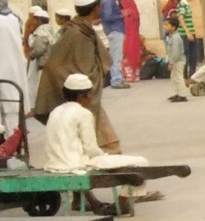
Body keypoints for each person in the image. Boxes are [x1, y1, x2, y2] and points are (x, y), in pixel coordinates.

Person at [44, 73, 163, 215]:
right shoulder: (83, 113)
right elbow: (91, 148)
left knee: (109, 160)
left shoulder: (55, 112)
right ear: (82, 96)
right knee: (141, 162)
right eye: (88, 95)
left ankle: (96, 203)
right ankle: (122, 203)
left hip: (54, 164)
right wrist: (105, 157)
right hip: (77, 164)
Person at [34, 0, 121, 153]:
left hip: (85, 95)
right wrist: (83, 86)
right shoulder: (78, 34)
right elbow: (78, 67)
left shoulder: (80, 30)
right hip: (83, 96)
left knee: (108, 142)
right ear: (97, 8)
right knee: (99, 143)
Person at [0, 0, 28, 143]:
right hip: (13, 71)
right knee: (13, 111)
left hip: (4, 71)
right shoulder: (14, 19)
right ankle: (14, 146)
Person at [23, 6, 56, 114]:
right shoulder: (49, 30)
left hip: (41, 63)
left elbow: (39, 49)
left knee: (37, 86)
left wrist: (30, 55)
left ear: (39, 20)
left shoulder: (41, 32)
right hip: (49, 62)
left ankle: (35, 109)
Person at [98, 0, 129, 90]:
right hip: (115, 30)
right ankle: (115, 80)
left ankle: (117, 78)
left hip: (116, 30)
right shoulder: (109, 1)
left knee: (117, 56)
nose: (121, 0)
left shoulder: (110, 1)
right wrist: (122, 15)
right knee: (116, 57)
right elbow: (107, 17)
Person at [114, 0, 141, 83]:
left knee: (127, 54)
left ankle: (130, 75)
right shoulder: (133, 10)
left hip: (128, 36)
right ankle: (135, 74)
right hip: (134, 36)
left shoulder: (126, 11)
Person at [175, 0, 199, 77]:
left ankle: (193, 74)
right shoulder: (182, 5)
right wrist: (187, 32)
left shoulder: (186, 4)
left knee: (193, 55)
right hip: (185, 34)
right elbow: (180, 18)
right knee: (186, 55)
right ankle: (185, 75)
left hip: (190, 32)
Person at [164, 18, 188, 103]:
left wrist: (171, 62)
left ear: (173, 27)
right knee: (174, 77)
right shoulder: (171, 37)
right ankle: (178, 93)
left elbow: (176, 52)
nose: (165, 27)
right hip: (175, 61)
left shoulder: (175, 38)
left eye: (167, 25)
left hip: (178, 61)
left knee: (178, 78)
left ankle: (182, 95)